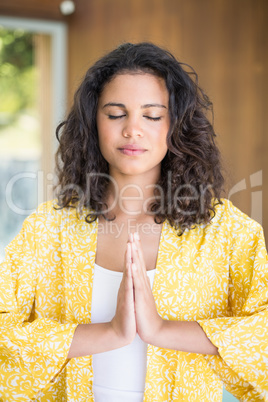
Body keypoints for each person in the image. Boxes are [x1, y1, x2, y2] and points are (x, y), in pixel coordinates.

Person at [0, 42, 267, 402]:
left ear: (177, 125)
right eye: (115, 114)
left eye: (152, 116)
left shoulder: (227, 232)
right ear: (93, 122)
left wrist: (161, 330)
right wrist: (110, 333)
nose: (132, 130)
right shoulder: (48, 229)